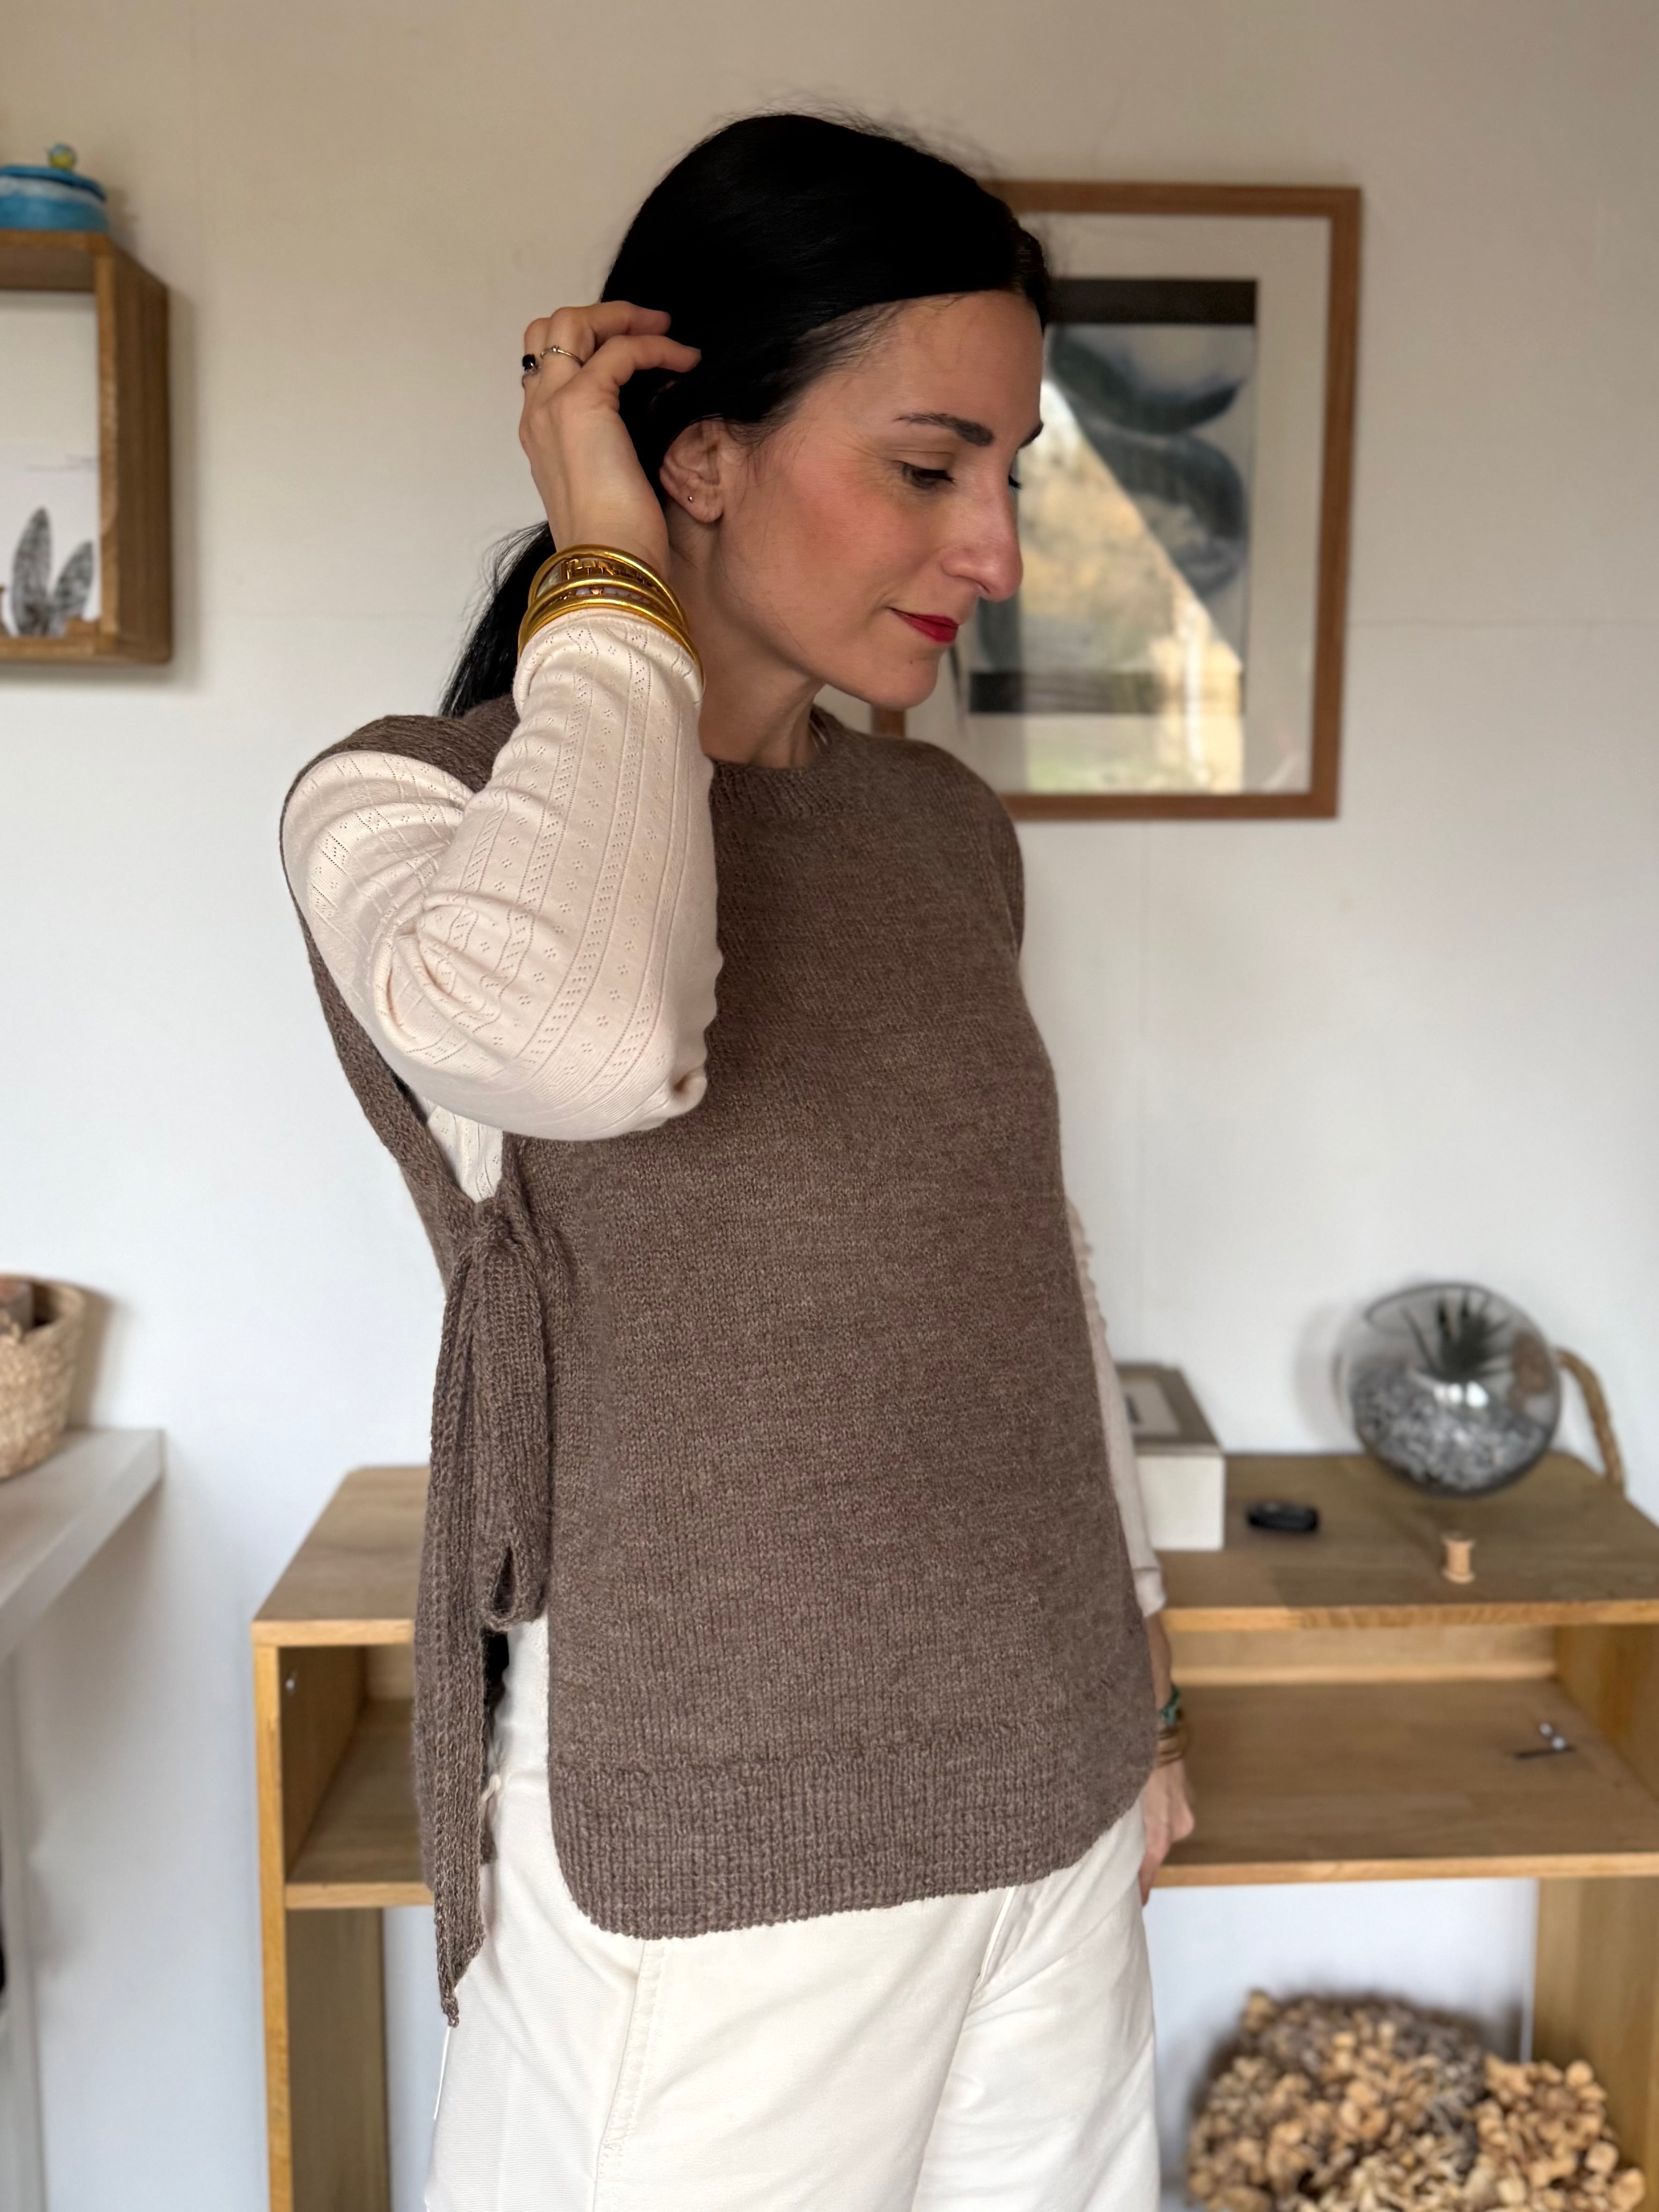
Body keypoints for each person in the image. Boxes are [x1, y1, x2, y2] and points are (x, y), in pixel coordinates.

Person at [280, 109, 1195, 2212]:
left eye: (1011, 475)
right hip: (718, 1866)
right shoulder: (405, 812)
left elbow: (1023, 1265)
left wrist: (1139, 1695)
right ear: (698, 455)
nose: (996, 551)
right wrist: (605, 573)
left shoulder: (939, 828)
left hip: (1052, 1803)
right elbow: (595, 1036)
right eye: (929, 468)